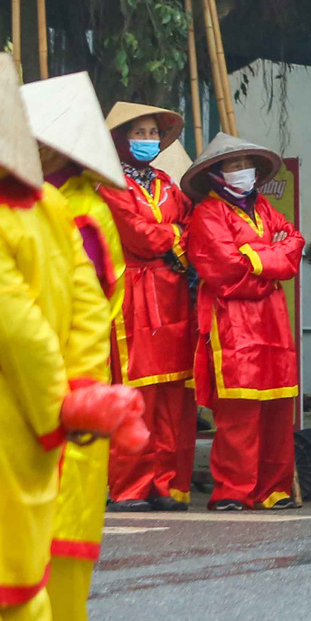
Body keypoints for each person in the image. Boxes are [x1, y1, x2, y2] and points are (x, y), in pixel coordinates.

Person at [0, 54, 146, 621]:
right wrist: (76, 405)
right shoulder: (48, 209)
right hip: (40, 435)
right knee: (24, 597)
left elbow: (18, 329)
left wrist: (60, 407)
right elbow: (79, 318)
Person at [22, 74, 131, 621]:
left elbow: (77, 331)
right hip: (67, 417)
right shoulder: (69, 208)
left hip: (60, 423)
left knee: (46, 589)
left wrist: (69, 412)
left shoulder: (71, 215)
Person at [185, 134, 306, 510]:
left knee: (276, 408)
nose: (242, 171)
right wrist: (270, 258)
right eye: (233, 165)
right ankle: (233, 492)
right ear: (217, 173)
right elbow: (224, 269)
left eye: (245, 164)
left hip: (273, 319)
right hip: (231, 320)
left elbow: (295, 243)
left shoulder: (265, 208)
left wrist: (254, 256)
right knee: (239, 411)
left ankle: (273, 488)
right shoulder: (208, 213)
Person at [100, 100, 196, 510]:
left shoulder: (168, 183)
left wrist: (173, 236)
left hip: (172, 293)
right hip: (133, 296)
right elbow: (137, 235)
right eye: (138, 134)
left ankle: (165, 483)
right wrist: (174, 236)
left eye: (153, 133)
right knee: (136, 392)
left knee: (171, 394)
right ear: (121, 139)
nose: (147, 140)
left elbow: (193, 228)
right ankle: (129, 486)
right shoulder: (108, 186)